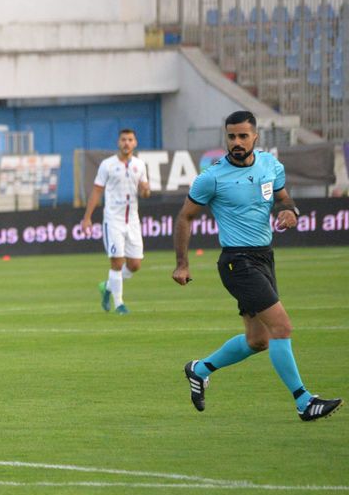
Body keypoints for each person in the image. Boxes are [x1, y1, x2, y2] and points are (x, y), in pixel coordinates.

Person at [172, 110, 340, 421]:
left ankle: (199, 369)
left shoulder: (270, 165)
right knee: (282, 327)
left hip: (264, 257)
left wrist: (290, 212)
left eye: (242, 136)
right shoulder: (212, 176)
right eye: (231, 136)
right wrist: (182, 264)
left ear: (255, 136)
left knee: (258, 341)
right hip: (237, 262)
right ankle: (304, 401)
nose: (236, 142)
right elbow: (185, 217)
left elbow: (285, 199)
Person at [80, 128, 150, 315]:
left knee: (135, 264)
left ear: (135, 143)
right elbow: (96, 191)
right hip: (113, 221)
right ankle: (119, 304)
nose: (127, 143)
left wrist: (145, 190)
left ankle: (107, 287)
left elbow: (144, 192)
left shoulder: (140, 165)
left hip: (132, 220)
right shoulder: (107, 165)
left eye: (130, 139)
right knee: (117, 262)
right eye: (123, 140)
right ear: (118, 143)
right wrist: (87, 217)